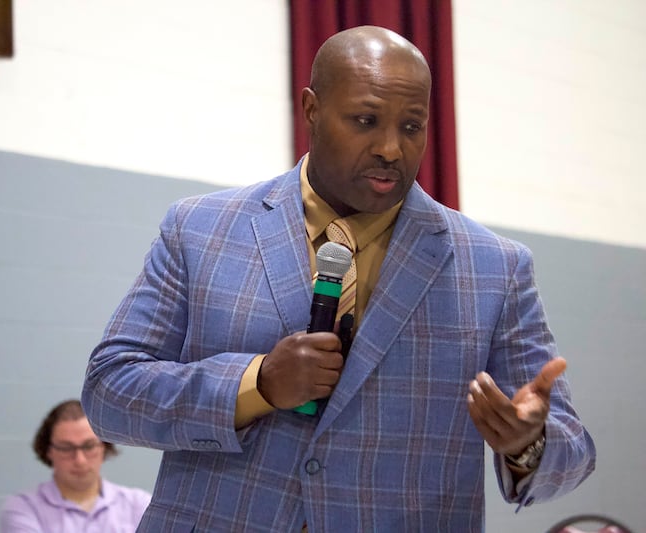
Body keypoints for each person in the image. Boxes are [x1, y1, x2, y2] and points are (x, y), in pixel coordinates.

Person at [82, 26, 595, 532]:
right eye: (365, 120)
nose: (391, 149)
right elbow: (110, 393)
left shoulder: (494, 268)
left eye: (412, 127)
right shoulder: (199, 229)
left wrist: (526, 444)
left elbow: (572, 450)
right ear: (311, 109)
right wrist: (255, 383)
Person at [0, 399, 151, 533]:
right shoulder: (23, 509)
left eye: (89, 446)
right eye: (66, 448)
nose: (80, 460)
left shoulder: (139, 505)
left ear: (104, 446)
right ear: (48, 450)